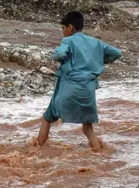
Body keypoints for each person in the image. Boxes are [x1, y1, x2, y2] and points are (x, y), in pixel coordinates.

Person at [37, 11, 121, 151]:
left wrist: (59, 57)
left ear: (70, 27)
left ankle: (38, 150)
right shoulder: (96, 42)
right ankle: (98, 152)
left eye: (63, 28)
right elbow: (117, 53)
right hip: (88, 90)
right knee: (87, 126)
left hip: (69, 87)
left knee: (47, 119)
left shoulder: (68, 40)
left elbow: (60, 54)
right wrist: (98, 60)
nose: (63, 32)